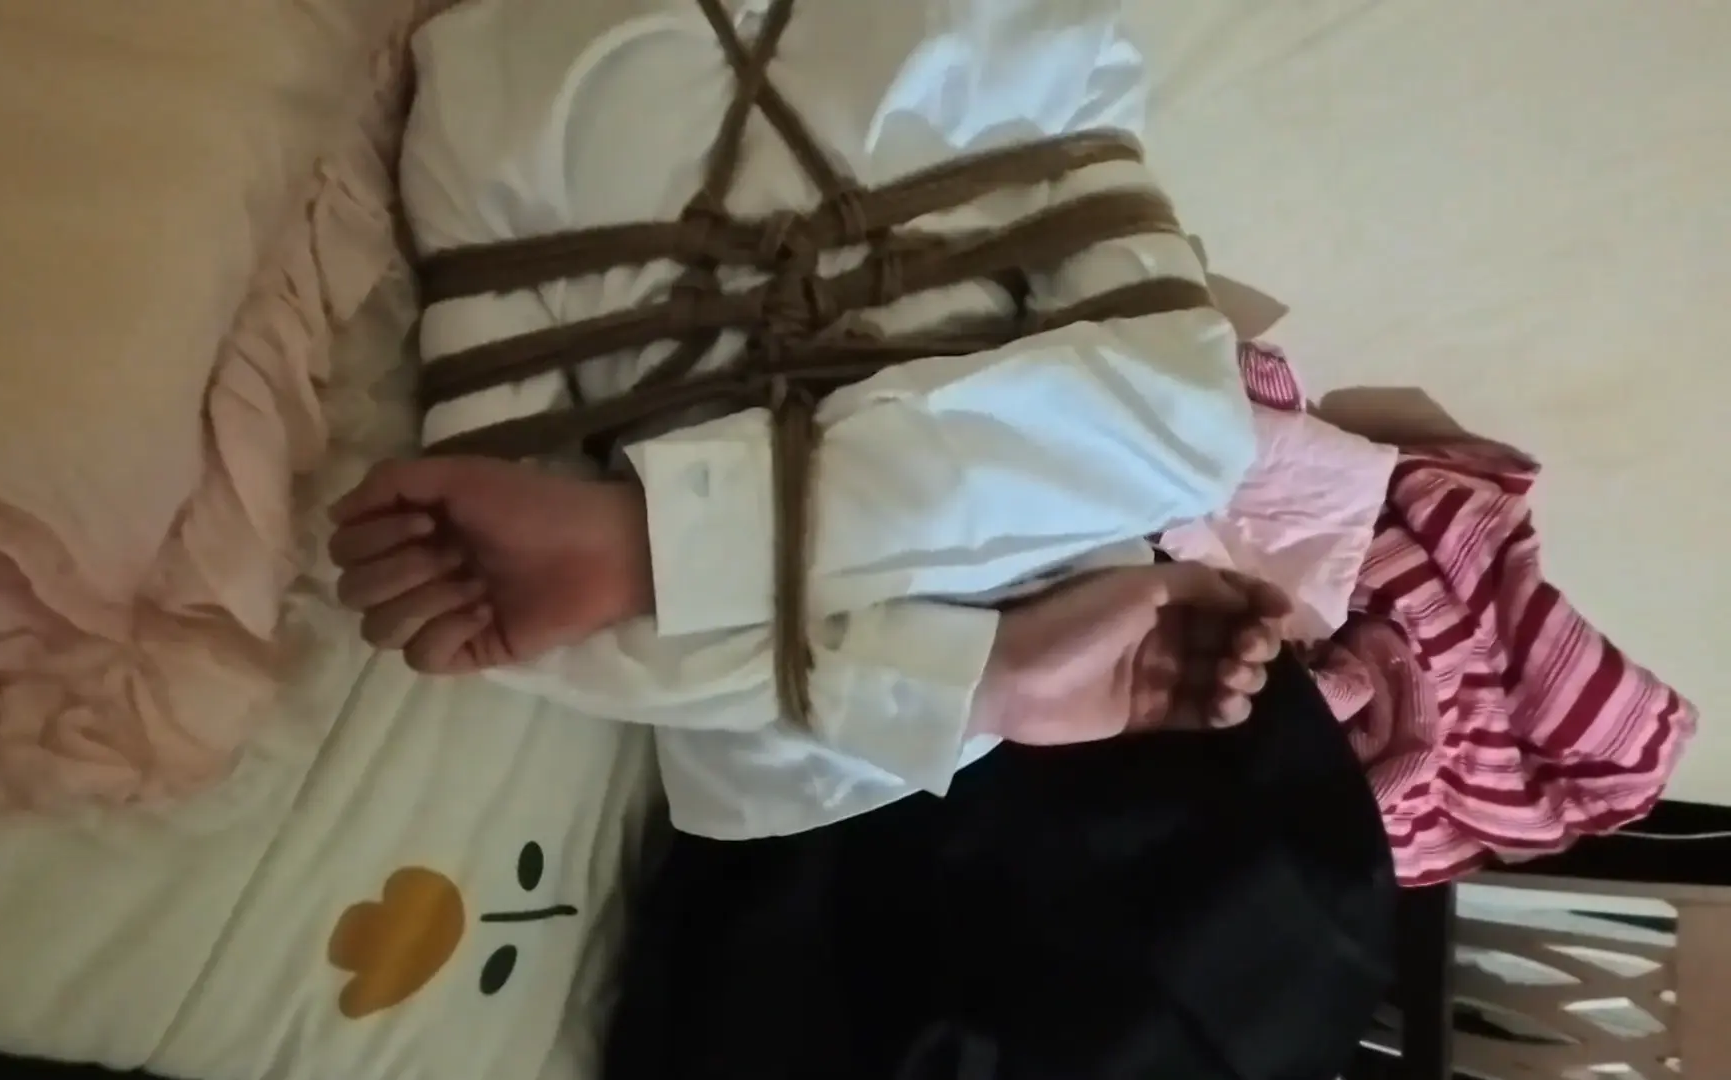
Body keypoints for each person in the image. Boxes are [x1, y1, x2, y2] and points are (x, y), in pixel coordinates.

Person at [330, 2, 1397, 1076]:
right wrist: (974, 677)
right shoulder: (482, 84)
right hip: (937, 752)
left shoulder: (1028, 27)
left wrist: (668, 545)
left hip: (1063, 718)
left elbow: (1181, 419)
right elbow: (509, 589)